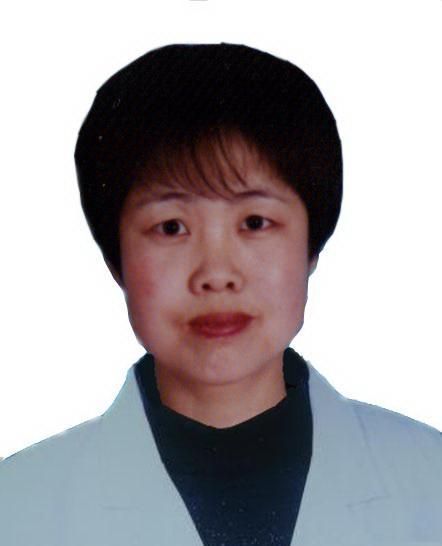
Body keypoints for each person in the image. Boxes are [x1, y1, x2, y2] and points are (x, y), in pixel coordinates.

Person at [0, 42, 441, 546]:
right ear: (115, 259)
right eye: (171, 227)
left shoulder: (431, 483)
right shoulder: (16, 505)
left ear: (311, 247)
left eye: (254, 222)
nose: (216, 274)